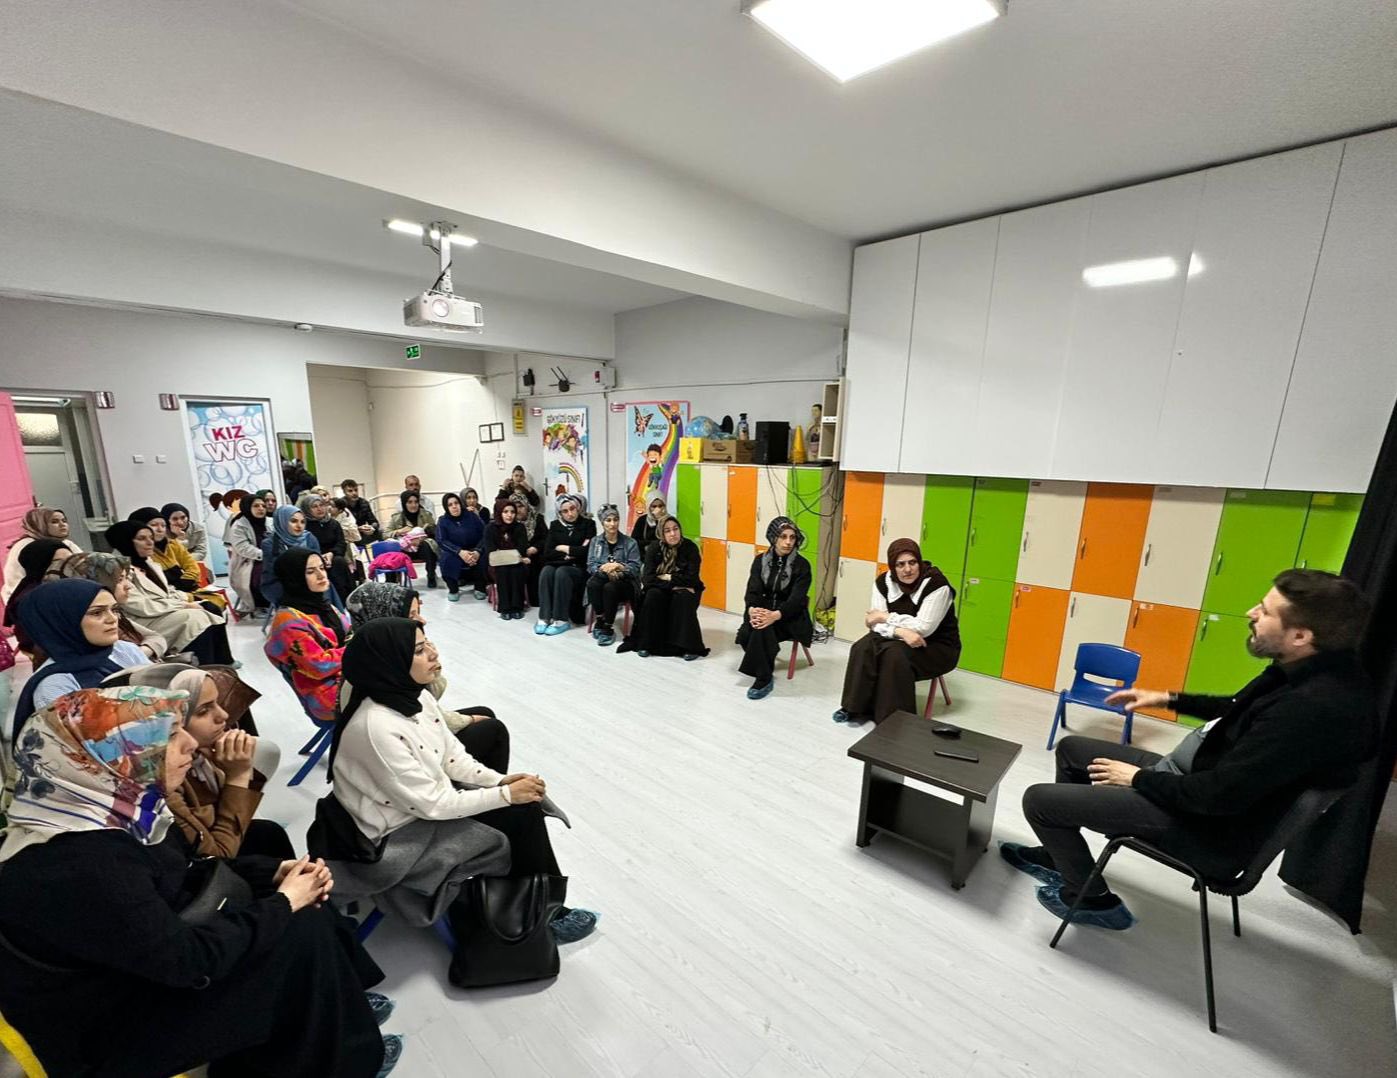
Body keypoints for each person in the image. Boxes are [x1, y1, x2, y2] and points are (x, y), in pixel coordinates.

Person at [0, 683, 400, 1078]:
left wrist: (273, 874)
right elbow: (187, 962)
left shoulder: (112, 810)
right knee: (298, 930)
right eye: (168, 737)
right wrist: (283, 902)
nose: (190, 743)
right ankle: (341, 1053)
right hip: (105, 1031)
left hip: (135, 971)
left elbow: (187, 869)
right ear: (105, 759)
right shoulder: (79, 863)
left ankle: (339, 1008)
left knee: (292, 895)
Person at [1004, 568, 1378, 931]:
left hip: (1204, 826)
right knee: (1072, 750)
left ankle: (1093, 901)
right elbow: (1237, 708)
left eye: (1265, 611)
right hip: (1196, 781)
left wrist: (1138, 778)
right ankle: (1060, 857)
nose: (1251, 613)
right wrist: (1168, 699)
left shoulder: (1310, 710)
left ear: (1300, 635)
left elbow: (1217, 796)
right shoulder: (1309, 666)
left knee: (1040, 802)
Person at [324, 618, 597, 950]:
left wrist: (499, 781)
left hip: (411, 808)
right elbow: (433, 805)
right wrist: (504, 795)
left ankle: (537, 905)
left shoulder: (414, 697)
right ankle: (538, 914)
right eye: (419, 649)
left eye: (428, 643)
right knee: (519, 815)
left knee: (520, 806)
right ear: (390, 661)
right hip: (392, 836)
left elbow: (453, 757)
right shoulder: (376, 727)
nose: (433, 653)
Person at [345, 581, 510, 771]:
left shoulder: (372, 649)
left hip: (409, 732)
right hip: (403, 754)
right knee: (493, 729)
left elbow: (427, 700)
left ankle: (481, 780)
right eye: (411, 615)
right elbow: (418, 712)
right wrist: (468, 720)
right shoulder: (375, 667)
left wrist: (425, 655)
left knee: (485, 714)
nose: (421, 621)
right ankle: (480, 783)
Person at [833, 538, 960, 727]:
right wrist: (901, 632)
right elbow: (874, 624)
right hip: (901, 638)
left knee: (893, 655)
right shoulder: (883, 582)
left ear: (919, 562)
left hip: (935, 645)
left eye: (912, 562)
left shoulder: (937, 585)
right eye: (900, 564)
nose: (907, 569)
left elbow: (923, 627)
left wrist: (885, 617)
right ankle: (854, 707)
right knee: (862, 646)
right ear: (893, 566)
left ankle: (893, 719)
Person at [9, 578, 152, 740]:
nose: (112, 619)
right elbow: (81, 744)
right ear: (63, 622)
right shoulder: (54, 684)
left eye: (114, 610)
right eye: (97, 613)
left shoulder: (124, 650)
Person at [105, 520, 233, 665]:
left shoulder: (147, 563)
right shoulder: (119, 571)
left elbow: (167, 590)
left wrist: (187, 599)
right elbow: (141, 606)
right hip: (144, 619)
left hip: (162, 610)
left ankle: (222, 662)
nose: (150, 542)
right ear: (125, 542)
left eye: (151, 537)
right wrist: (184, 605)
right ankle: (205, 666)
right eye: (142, 538)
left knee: (208, 607)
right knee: (195, 619)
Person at [265, 549, 351, 725]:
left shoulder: (325, 606)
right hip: (326, 696)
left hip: (348, 676)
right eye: (310, 571)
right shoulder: (287, 622)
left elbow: (350, 634)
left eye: (322, 568)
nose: (321, 575)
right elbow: (319, 666)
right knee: (397, 686)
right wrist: (359, 648)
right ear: (293, 578)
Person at [736, 516, 813, 700]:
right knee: (746, 634)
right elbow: (752, 590)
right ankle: (764, 660)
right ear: (773, 538)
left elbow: (796, 600)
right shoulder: (760, 561)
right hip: (764, 609)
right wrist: (752, 610)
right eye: (783, 536)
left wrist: (775, 615)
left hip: (790, 616)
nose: (788, 542)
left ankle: (764, 679)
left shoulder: (802, 565)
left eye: (792, 537)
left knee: (761, 630)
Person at [619, 515, 707, 660]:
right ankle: (647, 644)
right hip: (665, 587)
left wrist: (667, 577)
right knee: (652, 596)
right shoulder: (654, 548)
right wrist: (674, 584)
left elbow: (691, 578)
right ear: (661, 533)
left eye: (675, 529)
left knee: (683, 597)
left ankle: (686, 647)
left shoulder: (690, 548)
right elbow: (648, 578)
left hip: (686, 588)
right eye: (667, 531)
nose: (673, 534)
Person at [61, 551, 169, 660]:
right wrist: (137, 656)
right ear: (99, 582)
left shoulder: (116, 614)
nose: (129, 586)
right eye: (120, 580)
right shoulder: (94, 621)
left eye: (127, 578)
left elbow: (156, 637)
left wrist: (138, 653)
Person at [536, 493, 596, 636]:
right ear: (560, 513)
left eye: (572, 509)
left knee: (562, 572)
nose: (570, 513)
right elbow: (548, 552)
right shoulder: (555, 525)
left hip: (579, 568)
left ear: (578, 508)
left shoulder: (588, 524)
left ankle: (561, 620)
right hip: (559, 564)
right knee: (546, 571)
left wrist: (564, 548)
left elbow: (587, 551)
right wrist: (570, 555)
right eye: (565, 511)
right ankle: (544, 617)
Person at [2, 539, 73, 657]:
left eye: (70, 559)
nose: (67, 565)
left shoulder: (72, 586)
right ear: (39, 564)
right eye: (58, 561)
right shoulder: (30, 600)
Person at [585, 504, 641, 647]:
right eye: (608, 520)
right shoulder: (596, 541)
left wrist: (619, 566)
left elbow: (635, 568)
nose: (612, 524)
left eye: (615, 519)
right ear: (602, 522)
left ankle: (608, 627)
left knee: (610, 587)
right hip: (603, 577)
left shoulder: (630, 542)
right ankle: (600, 619)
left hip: (625, 583)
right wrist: (603, 568)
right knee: (592, 584)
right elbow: (590, 565)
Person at [2, 507, 82, 603]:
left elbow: (83, 566)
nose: (62, 525)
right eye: (54, 522)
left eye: (64, 521)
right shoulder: (24, 546)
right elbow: (14, 581)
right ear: (40, 525)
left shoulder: (66, 543)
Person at [127, 507, 203, 592]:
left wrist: (184, 583)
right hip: (167, 595)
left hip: (185, 590)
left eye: (163, 525)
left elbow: (192, 566)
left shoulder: (172, 543)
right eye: (154, 525)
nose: (160, 529)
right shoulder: (141, 552)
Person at [260, 505, 320, 608]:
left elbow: (316, 563)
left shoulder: (309, 538)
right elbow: (274, 570)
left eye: (302, 522)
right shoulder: (270, 543)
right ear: (282, 521)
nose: (299, 526)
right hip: (280, 582)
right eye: (293, 521)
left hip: (308, 579)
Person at [301, 492, 355, 601]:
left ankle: (347, 600)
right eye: (314, 506)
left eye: (321, 505)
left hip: (333, 557)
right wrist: (320, 558)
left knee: (339, 562)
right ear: (307, 509)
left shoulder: (333, 523)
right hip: (313, 559)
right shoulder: (304, 526)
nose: (319, 509)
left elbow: (341, 543)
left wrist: (331, 554)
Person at [435, 491, 486, 602]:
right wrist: (459, 552)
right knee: (446, 559)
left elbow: (485, 534)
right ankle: (453, 589)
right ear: (446, 508)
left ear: (460, 503)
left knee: (484, 556)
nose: (454, 506)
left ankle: (480, 587)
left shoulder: (471, 516)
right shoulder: (443, 521)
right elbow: (441, 540)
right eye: (450, 505)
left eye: (456, 503)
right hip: (455, 551)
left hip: (474, 549)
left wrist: (477, 551)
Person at [484, 500, 531, 620]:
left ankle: (517, 607)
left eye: (512, 512)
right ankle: (505, 608)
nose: (509, 515)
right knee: (503, 570)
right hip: (497, 564)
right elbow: (491, 551)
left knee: (516, 570)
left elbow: (522, 549)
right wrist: (511, 554)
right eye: (505, 512)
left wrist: (504, 553)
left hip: (517, 563)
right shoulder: (490, 528)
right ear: (499, 512)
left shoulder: (519, 527)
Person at [227, 492, 270, 614]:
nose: (261, 508)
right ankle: (262, 603)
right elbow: (243, 548)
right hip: (248, 562)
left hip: (268, 558)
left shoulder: (269, 522)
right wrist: (266, 555)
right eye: (256, 506)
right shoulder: (239, 525)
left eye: (263, 506)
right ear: (247, 507)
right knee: (263, 575)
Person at [388, 490, 438, 589]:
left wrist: (424, 535)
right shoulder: (396, 518)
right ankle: (391, 582)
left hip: (421, 548)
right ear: (404, 503)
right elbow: (385, 534)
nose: (413, 505)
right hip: (404, 549)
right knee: (391, 549)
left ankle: (431, 576)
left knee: (428, 545)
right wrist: (399, 531)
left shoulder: (426, 514)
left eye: (416, 502)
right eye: (410, 502)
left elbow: (435, 531)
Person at [511, 491, 548, 607]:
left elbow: (546, 538)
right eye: (514, 507)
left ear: (527, 505)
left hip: (535, 553)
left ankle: (537, 599)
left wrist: (535, 547)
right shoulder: (509, 523)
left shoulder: (537, 518)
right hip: (516, 554)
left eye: (521, 506)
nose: (518, 510)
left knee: (537, 563)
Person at [162, 501, 210, 568]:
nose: (180, 522)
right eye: (175, 519)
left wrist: (186, 560)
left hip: (193, 563)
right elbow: (168, 555)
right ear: (167, 520)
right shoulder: (162, 532)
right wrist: (178, 537)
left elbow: (201, 551)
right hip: (170, 566)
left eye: (183, 517)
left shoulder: (198, 528)